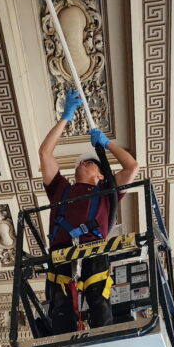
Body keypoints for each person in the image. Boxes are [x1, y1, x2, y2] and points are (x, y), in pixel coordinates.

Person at [39, 89, 139, 334]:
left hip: (94, 250)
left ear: (101, 174)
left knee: (98, 301)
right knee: (61, 306)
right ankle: (64, 345)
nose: (84, 162)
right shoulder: (61, 189)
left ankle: (103, 341)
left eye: (91, 162)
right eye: (82, 161)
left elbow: (132, 166)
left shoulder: (107, 192)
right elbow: (45, 153)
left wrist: (108, 143)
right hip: (61, 253)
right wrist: (66, 117)